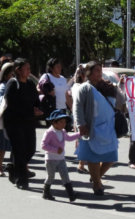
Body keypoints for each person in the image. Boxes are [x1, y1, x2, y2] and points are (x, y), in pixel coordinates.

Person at [73, 61, 118, 196]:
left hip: (107, 128)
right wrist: (81, 124)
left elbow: (120, 100)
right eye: (96, 70)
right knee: (93, 157)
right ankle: (97, 184)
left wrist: (117, 86)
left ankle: (95, 177)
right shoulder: (84, 88)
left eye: (100, 70)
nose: (99, 73)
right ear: (89, 73)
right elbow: (78, 107)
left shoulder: (107, 86)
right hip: (91, 128)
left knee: (110, 158)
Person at [3, 58, 43, 189]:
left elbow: (36, 100)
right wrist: (30, 110)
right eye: (26, 68)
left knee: (30, 149)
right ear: (18, 70)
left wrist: (38, 109)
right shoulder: (12, 84)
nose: (28, 70)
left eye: (29, 68)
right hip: (14, 123)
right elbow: (11, 104)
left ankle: (13, 167)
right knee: (19, 150)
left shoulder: (31, 84)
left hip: (29, 122)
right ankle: (22, 180)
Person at [41, 109, 80, 202]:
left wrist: (80, 134)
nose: (64, 124)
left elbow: (69, 138)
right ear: (54, 122)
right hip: (50, 160)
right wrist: (55, 150)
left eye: (65, 122)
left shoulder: (62, 131)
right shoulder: (49, 132)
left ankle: (71, 195)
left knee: (65, 176)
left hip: (61, 159)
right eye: (61, 122)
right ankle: (46, 192)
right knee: (50, 177)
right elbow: (43, 145)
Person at [38, 58, 72, 130]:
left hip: (63, 109)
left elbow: (66, 95)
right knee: (53, 132)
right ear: (51, 68)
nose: (60, 68)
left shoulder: (63, 79)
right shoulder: (46, 76)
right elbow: (38, 89)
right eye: (57, 66)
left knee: (62, 132)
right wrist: (48, 92)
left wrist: (72, 108)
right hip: (52, 109)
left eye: (60, 66)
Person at [71, 64, 88, 174]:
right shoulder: (79, 86)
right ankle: (81, 164)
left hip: (80, 116)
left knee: (83, 140)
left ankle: (81, 164)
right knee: (84, 140)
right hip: (81, 116)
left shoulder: (76, 86)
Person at [0, 62, 14, 176]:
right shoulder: (4, 86)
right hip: (2, 119)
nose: (13, 76)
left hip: (9, 120)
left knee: (4, 146)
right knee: (1, 146)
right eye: (11, 74)